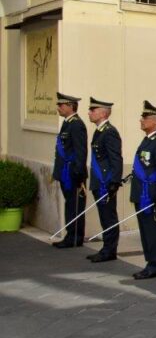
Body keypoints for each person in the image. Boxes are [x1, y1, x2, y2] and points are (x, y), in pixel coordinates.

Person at [130, 101, 156, 280]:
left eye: (145, 117)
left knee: (152, 230)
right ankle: (149, 262)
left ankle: (155, 265)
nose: (141, 120)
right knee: (145, 230)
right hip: (142, 193)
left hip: (151, 195)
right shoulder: (148, 140)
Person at [86, 97, 122, 262]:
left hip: (105, 182)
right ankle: (106, 248)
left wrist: (114, 181)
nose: (89, 113)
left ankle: (110, 250)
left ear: (102, 113)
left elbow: (116, 158)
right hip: (99, 180)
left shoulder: (109, 132)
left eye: (93, 110)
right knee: (104, 216)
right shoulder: (99, 131)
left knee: (109, 217)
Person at [52, 92, 88, 249]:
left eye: (61, 105)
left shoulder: (76, 125)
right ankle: (70, 234)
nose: (58, 107)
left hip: (73, 174)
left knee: (75, 206)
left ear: (70, 106)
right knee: (70, 205)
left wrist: (78, 174)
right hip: (65, 173)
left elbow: (80, 151)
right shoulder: (67, 123)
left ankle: (75, 238)